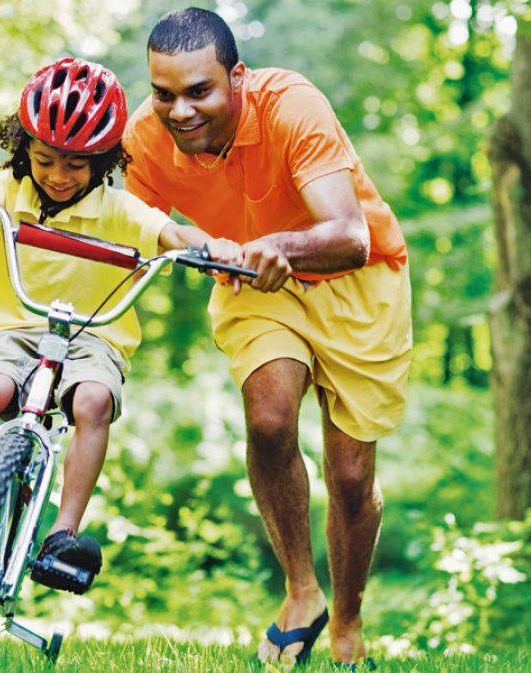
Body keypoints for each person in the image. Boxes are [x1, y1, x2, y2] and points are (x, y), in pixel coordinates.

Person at [122, 8, 413, 667]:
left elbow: (349, 234)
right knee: (270, 415)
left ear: (238, 79)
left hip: (359, 280)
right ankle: (301, 590)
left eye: (200, 91)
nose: (180, 111)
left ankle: (347, 616)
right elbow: (130, 229)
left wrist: (274, 244)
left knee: (350, 476)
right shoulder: (145, 136)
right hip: (253, 284)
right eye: (164, 93)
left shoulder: (292, 106)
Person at [0, 57, 241, 591]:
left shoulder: (121, 211)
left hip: (93, 336)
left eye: (77, 164)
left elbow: (173, 235)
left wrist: (213, 246)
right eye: (46, 159)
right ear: (22, 148)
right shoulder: (3, 191)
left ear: (103, 162)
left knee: (93, 402)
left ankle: (63, 534)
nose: (58, 176)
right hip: (11, 327)